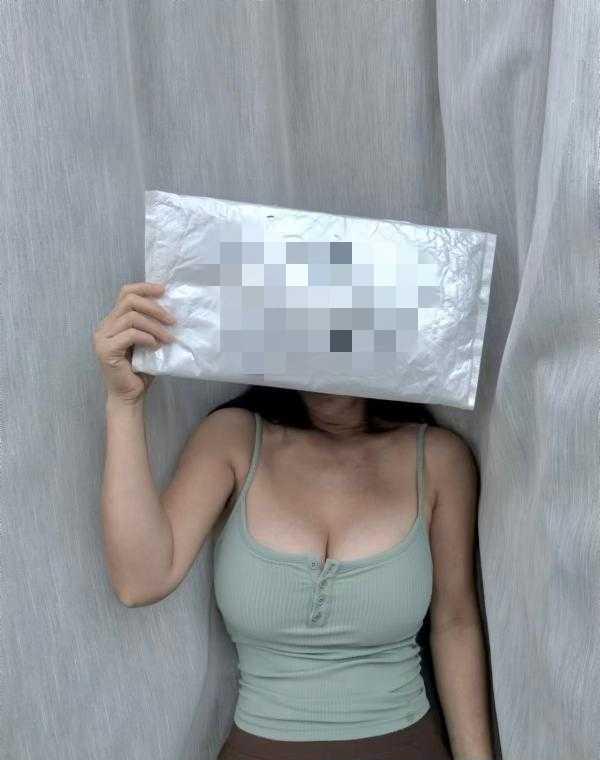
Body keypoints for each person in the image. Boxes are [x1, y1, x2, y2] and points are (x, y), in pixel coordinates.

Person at [93, 281, 495, 760]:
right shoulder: (234, 439)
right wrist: (125, 404)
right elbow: (140, 581)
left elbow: (455, 622)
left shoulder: (439, 459)